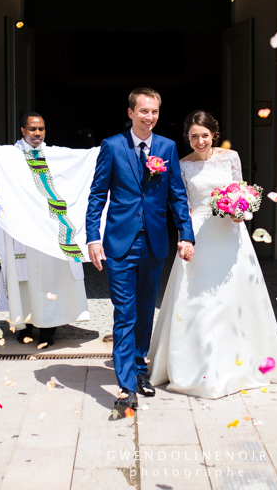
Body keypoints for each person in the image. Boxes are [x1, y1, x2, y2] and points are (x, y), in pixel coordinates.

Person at [147, 110, 277, 398]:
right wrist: (183, 239)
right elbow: (181, 205)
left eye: (204, 135)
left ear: (214, 133)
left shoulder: (231, 157)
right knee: (198, 300)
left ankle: (241, 363)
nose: (199, 141)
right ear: (186, 137)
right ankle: (197, 365)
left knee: (236, 298)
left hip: (230, 233)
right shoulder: (183, 164)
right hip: (199, 234)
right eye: (193, 136)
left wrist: (242, 210)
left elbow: (241, 190)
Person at [85, 88, 195, 415]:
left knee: (146, 312)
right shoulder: (112, 146)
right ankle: (125, 386)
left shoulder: (168, 148)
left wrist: (185, 234)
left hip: (155, 243)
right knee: (125, 313)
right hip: (120, 244)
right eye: (144, 111)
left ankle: (138, 369)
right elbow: (96, 197)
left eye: (155, 112)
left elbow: (177, 195)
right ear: (131, 112)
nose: (149, 117)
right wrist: (93, 238)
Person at [0, 111, 98, 349]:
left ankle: (49, 327)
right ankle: (26, 325)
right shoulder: (10, 155)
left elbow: (88, 159)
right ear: (23, 131)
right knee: (25, 279)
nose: (37, 133)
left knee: (52, 280)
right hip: (23, 232)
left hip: (51, 232)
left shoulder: (55, 155)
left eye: (41, 129)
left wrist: (113, 148)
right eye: (32, 129)